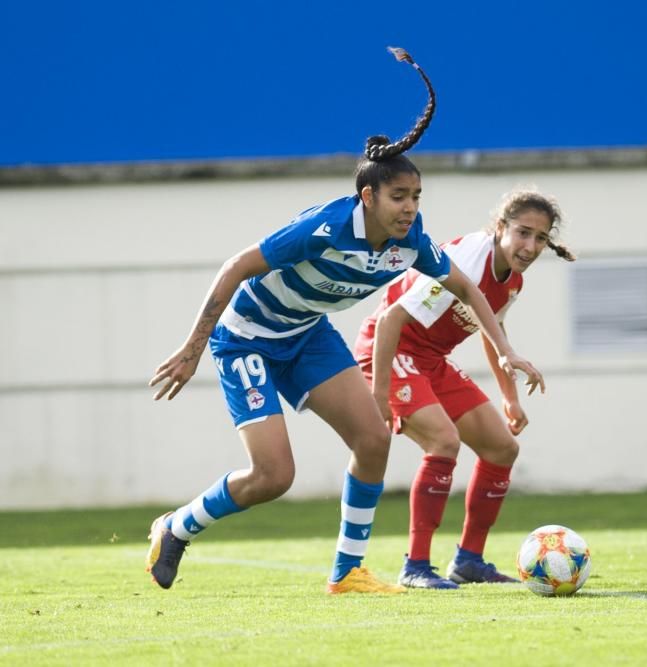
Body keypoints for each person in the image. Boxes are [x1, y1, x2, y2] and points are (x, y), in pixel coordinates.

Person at [144, 48, 544, 595]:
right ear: (367, 196)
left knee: (373, 439)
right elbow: (237, 265)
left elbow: (467, 288)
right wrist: (194, 346)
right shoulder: (325, 227)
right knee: (274, 477)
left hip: (307, 336)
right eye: (399, 197)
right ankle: (177, 526)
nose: (409, 207)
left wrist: (507, 352)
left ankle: (348, 572)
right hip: (247, 341)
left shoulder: (412, 242)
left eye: (416, 197)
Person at [353, 190, 574, 588]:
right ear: (501, 227)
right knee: (443, 441)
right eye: (523, 233)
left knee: (502, 447)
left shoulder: (513, 280)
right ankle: (415, 566)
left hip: (431, 361)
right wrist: (379, 395)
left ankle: (469, 561)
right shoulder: (470, 257)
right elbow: (389, 321)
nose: (530, 246)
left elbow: (493, 331)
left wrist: (510, 397)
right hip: (390, 350)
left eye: (540, 238)